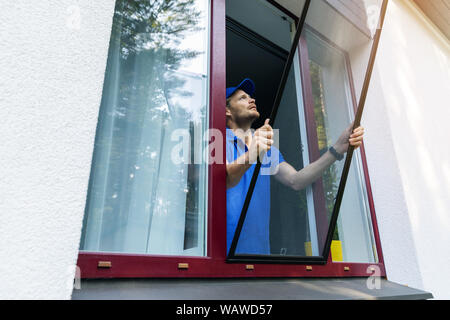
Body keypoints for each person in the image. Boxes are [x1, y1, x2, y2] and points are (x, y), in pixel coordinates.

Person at [225, 78, 364, 255]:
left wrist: (337, 149)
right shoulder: (218, 141)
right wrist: (253, 153)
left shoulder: (266, 150)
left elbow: (296, 180)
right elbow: (227, 177)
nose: (251, 100)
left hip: (259, 255)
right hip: (225, 254)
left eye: (250, 97)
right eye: (242, 98)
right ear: (227, 110)